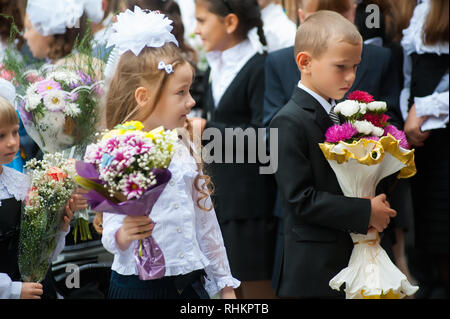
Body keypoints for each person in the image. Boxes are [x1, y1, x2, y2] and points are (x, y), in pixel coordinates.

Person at [264, 0, 410, 293]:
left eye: (355, 66)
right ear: (304, 62)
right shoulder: (287, 122)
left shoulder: (347, 113)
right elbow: (299, 200)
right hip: (313, 266)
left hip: (353, 252)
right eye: (340, 67)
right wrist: (364, 211)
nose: (350, 77)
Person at [99, 7, 239, 299]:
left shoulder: (182, 144)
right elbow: (110, 231)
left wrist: (224, 285)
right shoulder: (115, 150)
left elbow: (206, 224)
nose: (190, 102)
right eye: (181, 93)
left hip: (189, 284)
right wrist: (126, 231)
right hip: (139, 287)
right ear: (143, 96)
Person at [191, 0, 277, 299]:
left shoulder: (261, 67)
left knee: (254, 291)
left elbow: (267, 142)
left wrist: (207, 130)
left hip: (252, 208)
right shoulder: (216, 67)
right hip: (222, 203)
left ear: (230, 22)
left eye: (202, 21)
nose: (196, 30)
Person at [0, 96, 85, 299]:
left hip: (38, 288)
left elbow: (43, 251)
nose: (12, 142)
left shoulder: (22, 183)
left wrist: (59, 225)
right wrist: (12, 290)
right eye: (1, 136)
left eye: (15, 132)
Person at [400, 0, 449, 299]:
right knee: (428, 241)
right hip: (422, 144)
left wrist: (424, 108)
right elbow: (410, 76)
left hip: (444, 141)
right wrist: (408, 113)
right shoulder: (420, 9)